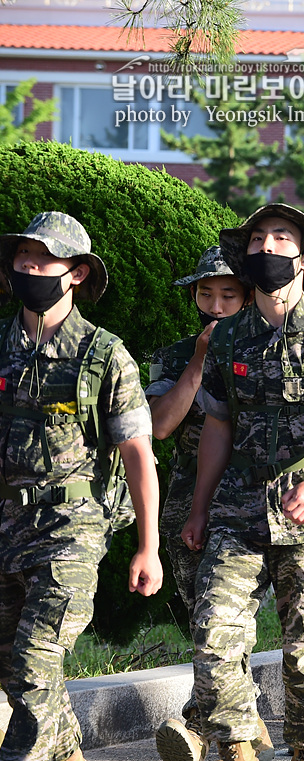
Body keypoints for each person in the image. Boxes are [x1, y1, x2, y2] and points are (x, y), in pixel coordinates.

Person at [184, 203, 304, 761]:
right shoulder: (228, 337)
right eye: (257, 239)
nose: (266, 248)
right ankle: (238, 746)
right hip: (238, 508)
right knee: (213, 631)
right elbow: (218, 422)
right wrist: (199, 508)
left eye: (280, 238)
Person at [0, 211, 163, 761]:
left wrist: (148, 547)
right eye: (23, 255)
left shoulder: (103, 355)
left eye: (42, 257)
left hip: (71, 528)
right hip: (5, 526)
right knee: (14, 672)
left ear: (74, 273)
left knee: (33, 663)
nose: (29, 265)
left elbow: (138, 453)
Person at [148, 247, 266, 761]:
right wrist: (199, 360)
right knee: (207, 616)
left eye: (228, 295)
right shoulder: (175, 356)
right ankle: (243, 715)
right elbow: (158, 427)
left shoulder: (270, 350)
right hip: (188, 500)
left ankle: (209, 728)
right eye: (206, 294)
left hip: (250, 502)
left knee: (224, 618)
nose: (216, 306)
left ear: (248, 296)